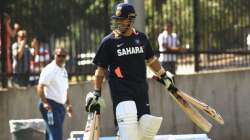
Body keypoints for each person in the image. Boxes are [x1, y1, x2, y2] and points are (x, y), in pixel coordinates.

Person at [85, 3, 174, 140]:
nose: (118, 22)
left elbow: (151, 60)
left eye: (122, 19)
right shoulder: (109, 42)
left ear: (131, 19)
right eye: (117, 19)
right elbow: (100, 69)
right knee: (128, 127)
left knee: (145, 133)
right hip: (121, 92)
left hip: (141, 91)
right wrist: (97, 92)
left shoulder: (141, 38)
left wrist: (163, 75)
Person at [37, 48, 73, 140]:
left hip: (60, 107)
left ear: (66, 57)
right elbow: (40, 87)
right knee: (56, 134)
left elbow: (65, 90)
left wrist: (68, 104)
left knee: (52, 133)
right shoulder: (50, 69)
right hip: (50, 105)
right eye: (59, 55)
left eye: (63, 56)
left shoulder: (63, 70)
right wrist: (45, 103)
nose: (61, 58)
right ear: (54, 56)